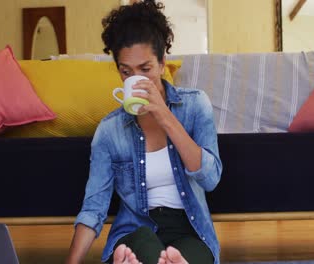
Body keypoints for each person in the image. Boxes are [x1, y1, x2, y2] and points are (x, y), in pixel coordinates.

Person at [66, 1, 222, 263]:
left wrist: (165, 116)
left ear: (162, 63)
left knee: (190, 256)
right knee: (144, 243)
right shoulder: (109, 131)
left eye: (145, 69)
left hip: (190, 230)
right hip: (136, 230)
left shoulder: (195, 105)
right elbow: (94, 208)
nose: (135, 80)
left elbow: (210, 178)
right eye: (126, 72)